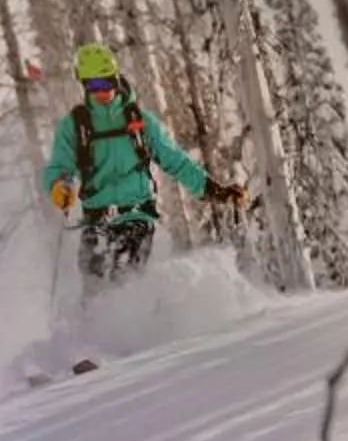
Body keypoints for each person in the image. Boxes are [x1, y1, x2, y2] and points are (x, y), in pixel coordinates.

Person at [41, 45, 241, 283]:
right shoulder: (75, 127)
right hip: (96, 220)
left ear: (116, 78)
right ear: (84, 86)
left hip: (135, 215)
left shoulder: (140, 122)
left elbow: (174, 160)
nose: (103, 91)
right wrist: (59, 186)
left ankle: (138, 305)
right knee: (94, 285)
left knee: (123, 278)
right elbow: (59, 167)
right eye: (94, 86)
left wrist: (211, 189)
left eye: (107, 82)